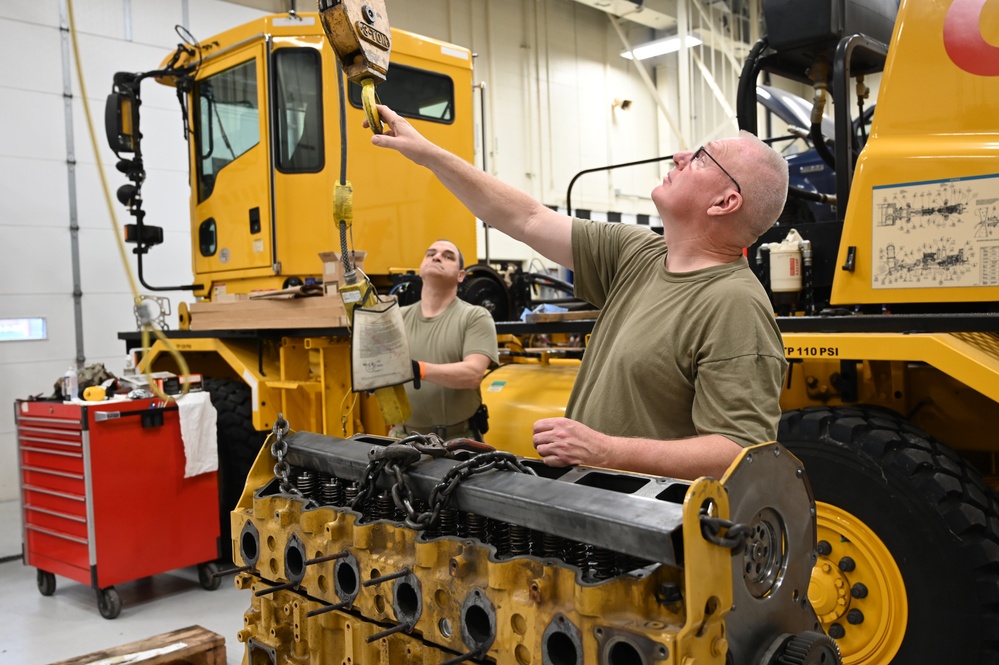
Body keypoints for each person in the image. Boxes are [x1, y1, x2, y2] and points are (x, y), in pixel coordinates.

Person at [369, 105, 789, 480]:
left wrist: (605, 450)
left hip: (646, 530)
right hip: (592, 505)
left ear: (724, 201)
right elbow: (527, 217)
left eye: (700, 158)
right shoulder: (637, 252)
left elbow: (737, 451)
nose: (680, 156)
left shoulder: (735, 305)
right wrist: (427, 154)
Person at [389, 239, 499, 441]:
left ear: (461, 275)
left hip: (458, 442)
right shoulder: (397, 317)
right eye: (430, 254)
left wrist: (418, 370)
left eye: (448, 256)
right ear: (421, 269)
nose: (437, 256)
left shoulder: (475, 316)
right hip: (401, 438)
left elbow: (473, 374)